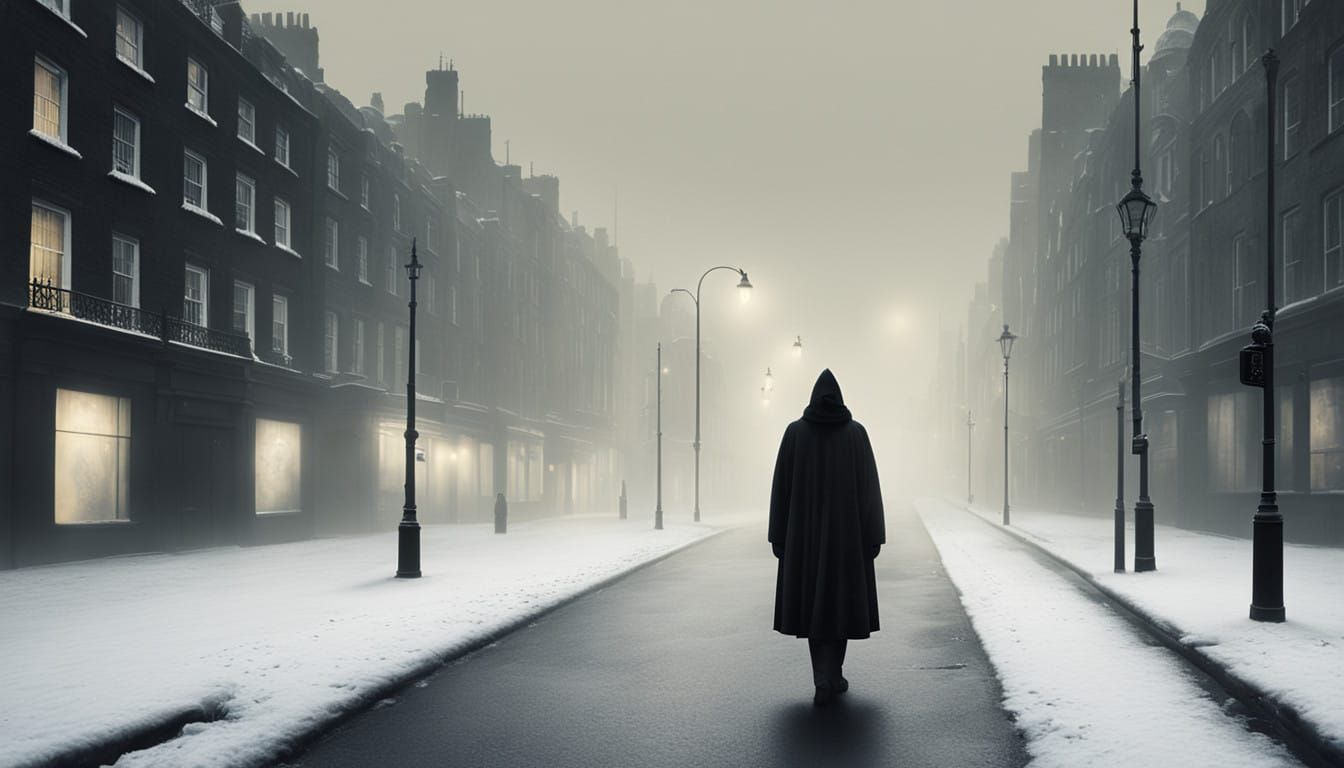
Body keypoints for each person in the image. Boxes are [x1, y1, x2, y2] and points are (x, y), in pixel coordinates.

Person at [768, 369, 885, 706]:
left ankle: (822, 676)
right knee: (841, 606)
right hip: (847, 540)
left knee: (812, 607)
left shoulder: (794, 434)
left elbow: (781, 488)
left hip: (804, 540)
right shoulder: (856, 434)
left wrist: (778, 536)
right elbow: (870, 488)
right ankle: (834, 673)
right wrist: (873, 535)